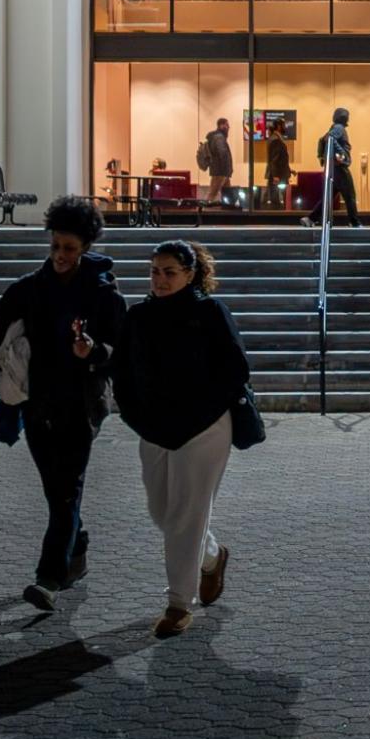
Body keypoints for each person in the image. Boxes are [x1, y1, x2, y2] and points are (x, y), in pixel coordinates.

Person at [0, 195, 127, 612]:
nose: (60, 255)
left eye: (69, 248)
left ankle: (48, 578)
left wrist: (94, 352)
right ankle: (79, 546)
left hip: (80, 407)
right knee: (58, 493)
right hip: (36, 408)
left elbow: (123, 349)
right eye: (55, 246)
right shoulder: (27, 290)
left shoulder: (103, 295)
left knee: (66, 492)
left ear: (85, 247)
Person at [107, 239, 252, 639]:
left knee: (185, 515)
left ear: (190, 274)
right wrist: (133, 413)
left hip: (204, 428)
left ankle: (177, 604)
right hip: (153, 428)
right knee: (162, 513)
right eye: (155, 271)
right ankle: (210, 557)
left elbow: (236, 368)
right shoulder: (138, 316)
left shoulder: (208, 312)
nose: (160, 279)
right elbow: (120, 369)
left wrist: (203, 409)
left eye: (170, 271)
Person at [317, 107, 362, 227]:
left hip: (334, 167)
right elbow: (329, 139)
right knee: (350, 195)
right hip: (340, 167)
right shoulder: (339, 128)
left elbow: (322, 140)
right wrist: (342, 154)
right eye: (347, 115)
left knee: (329, 196)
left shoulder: (333, 128)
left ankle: (311, 218)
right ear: (344, 117)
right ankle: (354, 221)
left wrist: (321, 157)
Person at [199, 118, 233, 203]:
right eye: (226, 125)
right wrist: (226, 168)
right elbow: (222, 153)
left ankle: (228, 210)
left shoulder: (218, 137)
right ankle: (205, 212)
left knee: (228, 193)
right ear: (221, 125)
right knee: (212, 193)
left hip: (222, 171)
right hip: (220, 171)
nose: (228, 127)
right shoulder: (219, 138)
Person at [262, 118, 291, 211]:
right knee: (276, 202)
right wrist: (275, 175)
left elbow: (280, 158)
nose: (285, 127)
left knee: (276, 199)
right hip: (278, 174)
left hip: (278, 173)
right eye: (283, 125)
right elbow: (274, 160)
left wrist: (290, 170)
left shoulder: (276, 138)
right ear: (279, 126)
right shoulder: (275, 139)